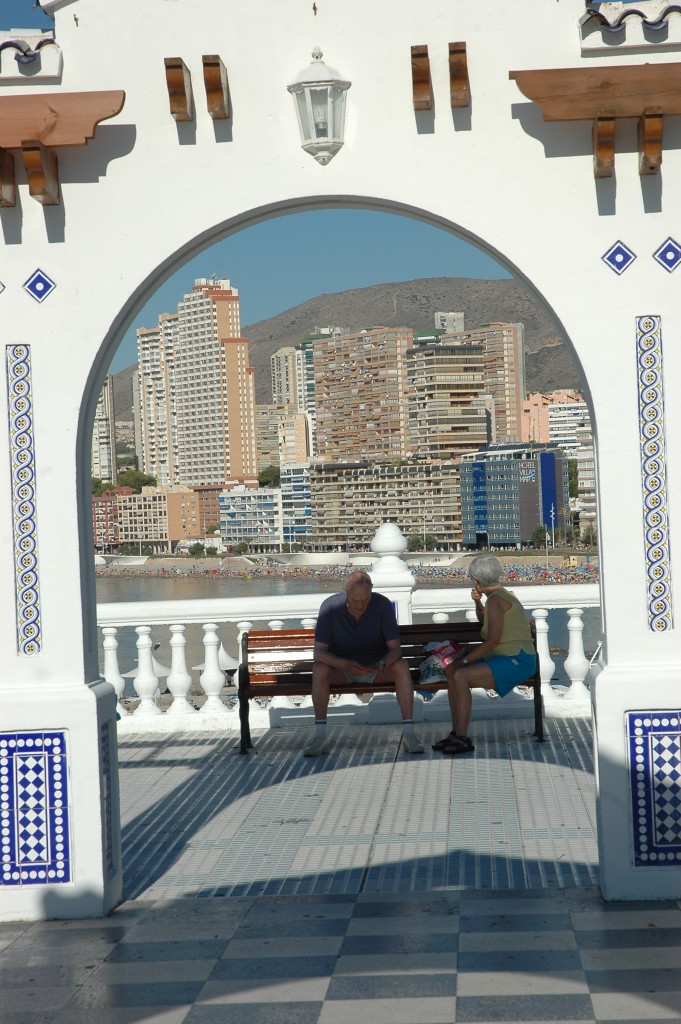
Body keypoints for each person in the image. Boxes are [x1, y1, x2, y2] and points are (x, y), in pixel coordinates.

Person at [304, 570, 424, 756]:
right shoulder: (330, 607)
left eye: (365, 600)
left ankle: (409, 733)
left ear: (371, 591)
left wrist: (381, 664)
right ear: (345, 593)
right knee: (319, 669)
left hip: (377, 668)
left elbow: (395, 649)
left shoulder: (382, 604)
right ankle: (320, 737)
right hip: (342, 669)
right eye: (355, 600)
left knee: (402, 666)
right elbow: (318, 653)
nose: (360, 605)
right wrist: (345, 664)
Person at [434, 554, 536, 756]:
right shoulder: (499, 597)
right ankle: (456, 733)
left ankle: (462, 736)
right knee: (454, 675)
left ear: (476, 580)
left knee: (460, 674)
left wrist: (462, 661)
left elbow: (492, 641)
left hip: (517, 659)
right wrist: (477, 603)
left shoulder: (496, 600)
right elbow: (487, 622)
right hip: (507, 657)